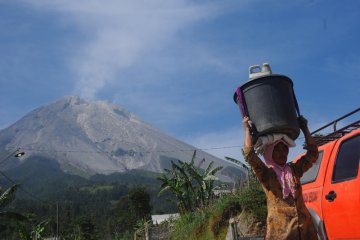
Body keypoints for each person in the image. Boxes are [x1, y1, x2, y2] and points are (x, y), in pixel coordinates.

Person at [242, 115, 319, 240]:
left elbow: (313, 154)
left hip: (305, 230)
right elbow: (249, 155)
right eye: (277, 149)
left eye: (285, 149)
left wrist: (305, 128)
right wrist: (246, 129)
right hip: (281, 234)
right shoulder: (266, 173)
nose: (283, 153)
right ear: (269, 152)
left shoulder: (294, 170)